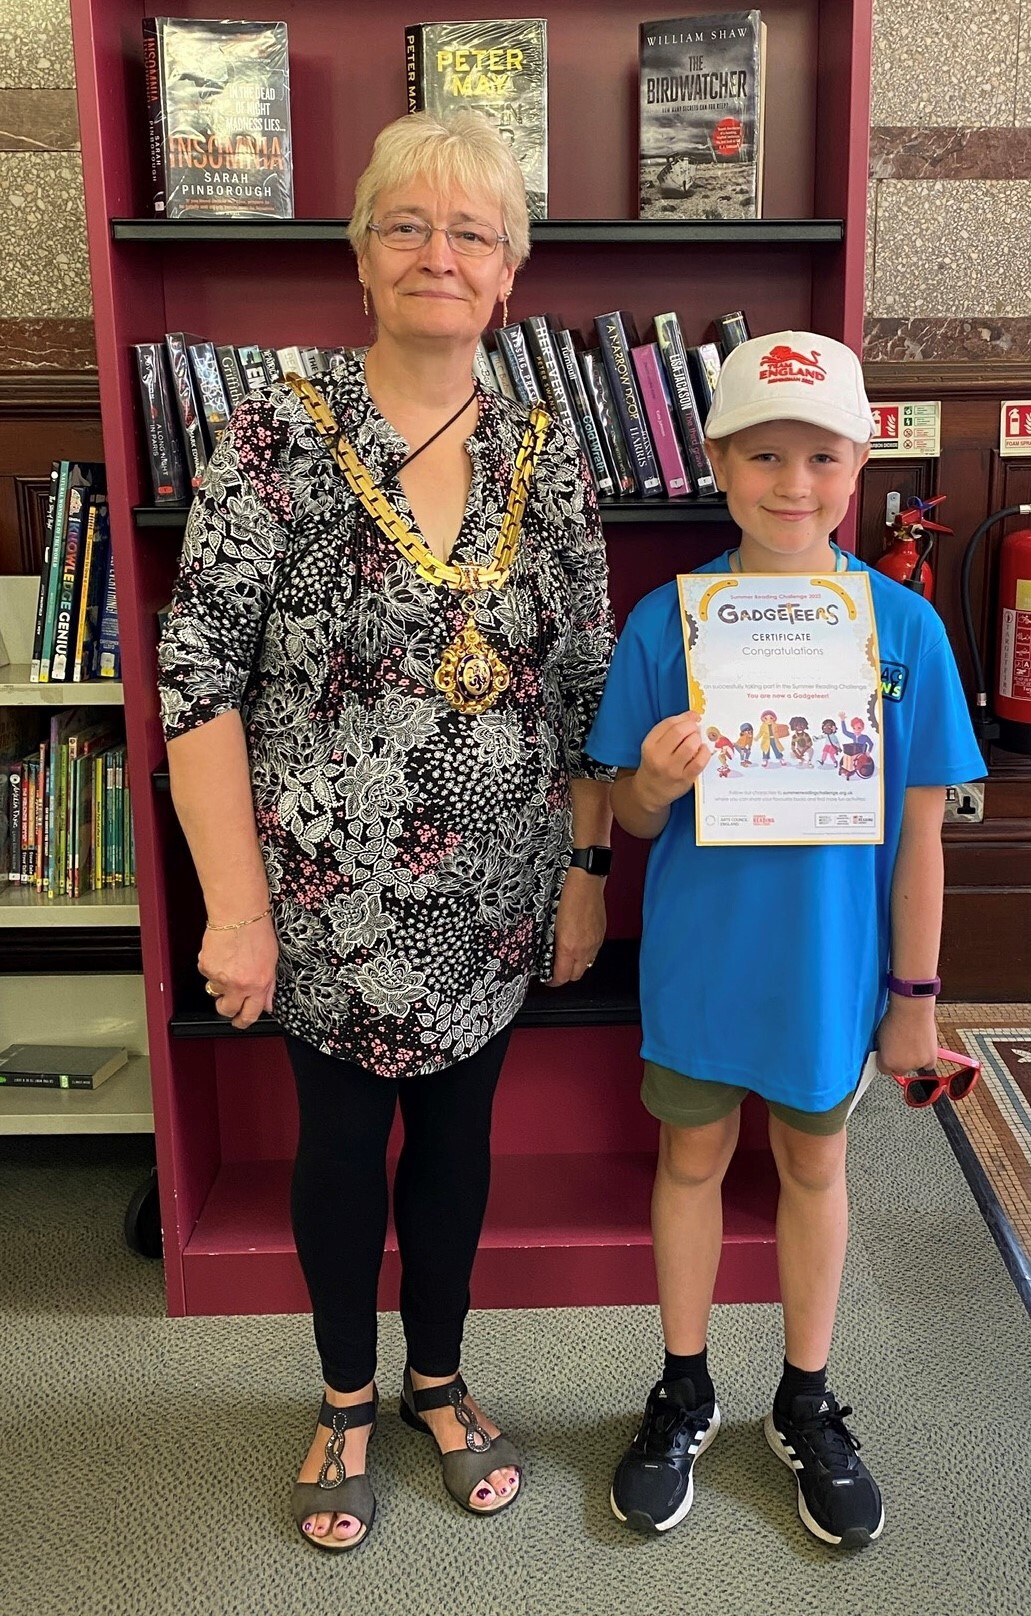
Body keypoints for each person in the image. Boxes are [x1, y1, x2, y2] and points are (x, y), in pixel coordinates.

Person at [157, 110, 615, 1550]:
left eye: (470, 230)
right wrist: (234, 910)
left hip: (497, 890)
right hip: (323, 907)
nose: (438, 252)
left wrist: (586, 872)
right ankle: (344, 1396)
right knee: (343, 1151)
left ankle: (436, 1374)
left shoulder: (549, 453)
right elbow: (195, 683)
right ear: (359, 256)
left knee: (459, 1143)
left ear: (509, 271)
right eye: (405, 225)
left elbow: (589, 686)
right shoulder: (274, 437)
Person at [586, 330, 985, 1549]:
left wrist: (912, 994)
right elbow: (631, 813)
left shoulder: (904, 630)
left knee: (814, 1169)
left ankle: (803, 1397)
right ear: (716, 461)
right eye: (763, 453)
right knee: (691, 1163)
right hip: (704, 966)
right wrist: (650, 780)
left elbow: (919, 837)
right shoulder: (668, 622)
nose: (791, 483)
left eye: (820, 456)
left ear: (857, 463)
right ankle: (684, 1384)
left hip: (830, 972)